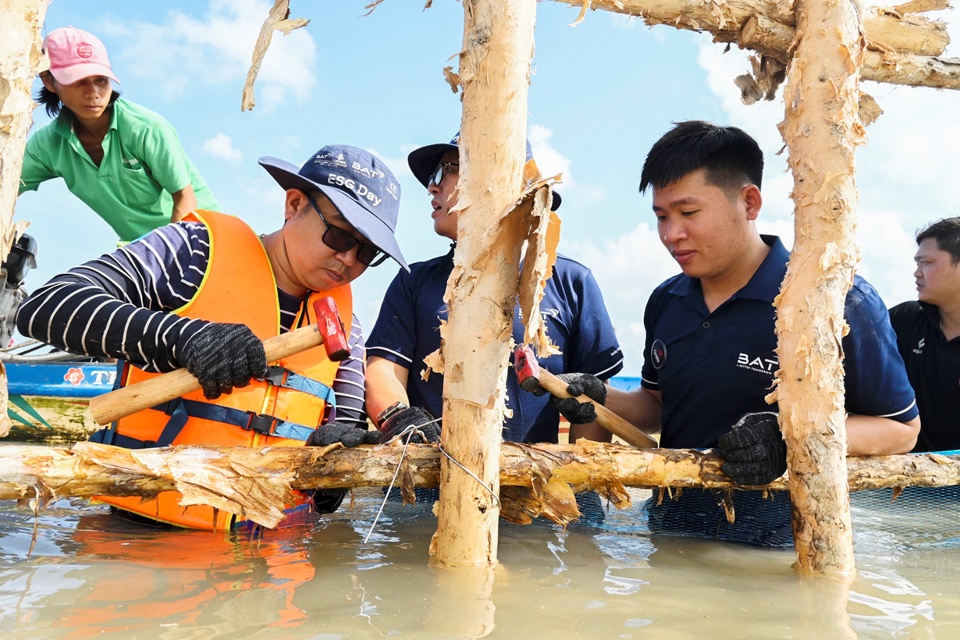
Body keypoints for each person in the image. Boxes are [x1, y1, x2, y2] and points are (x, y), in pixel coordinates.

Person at [530, 121, 920, 545]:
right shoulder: (667, 300)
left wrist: (786, 436)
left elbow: (900, 429)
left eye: (689, 213)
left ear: (749, 202)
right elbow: (659, 405)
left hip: (785, 545)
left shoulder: (833, 300)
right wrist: (600, 396)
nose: (670, 234)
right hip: (669, 532)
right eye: (661, 216)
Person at [16, 144, 407, 531]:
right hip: (138, 537)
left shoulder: (348, 330)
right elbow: (46, 307)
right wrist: (182, 338)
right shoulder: (192, 251)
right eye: (339, 235)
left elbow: (336, 459)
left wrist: (331, 472)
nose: (350, 259)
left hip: (273, 564)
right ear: (294, 204)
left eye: (368, 251)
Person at [365, 132, 623, 449]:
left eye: (445, 170)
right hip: (428, 484)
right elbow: (384, 370)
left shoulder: (571, 281)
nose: (432, 187)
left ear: (500, 181)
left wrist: (583, 488)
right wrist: (399, 420)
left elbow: (590, 402)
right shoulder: (415, 281)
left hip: (535, 487)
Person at [18, 26, 220, 243]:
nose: (93, 93)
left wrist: (170, 259)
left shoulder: (146, 128)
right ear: (49, 81)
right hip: (142, 252)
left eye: (101, 80)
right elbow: (6, 187)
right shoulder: (46, 146)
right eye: (78, 81)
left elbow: (184, 197)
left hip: (202, 237)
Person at [889, 217, 960, 452]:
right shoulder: (903, 319)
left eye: (926, 262)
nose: (917, 273)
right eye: (917, 263)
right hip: (900, 481)